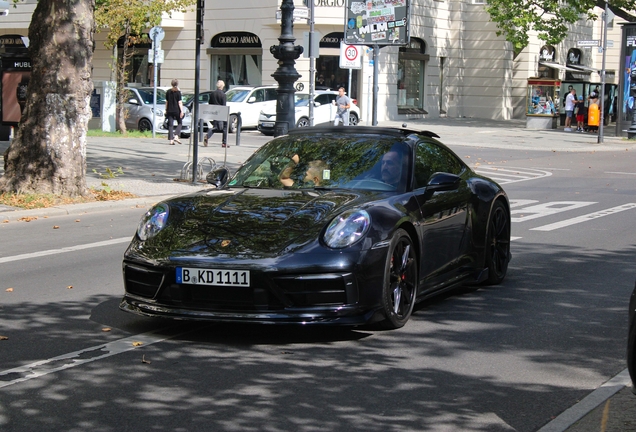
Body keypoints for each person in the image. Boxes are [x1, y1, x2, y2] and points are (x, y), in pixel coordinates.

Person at [203, 80, 228, 148]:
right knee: (224, 127)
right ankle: (224, 143)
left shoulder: (212, 94)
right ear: (222, 86)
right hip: (221, 112)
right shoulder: (223, 94)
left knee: (216, 127)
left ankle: (208, 136)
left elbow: (210, 103)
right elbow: (224, 105)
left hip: (214, 112)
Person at [165, 79, 184, 145]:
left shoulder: (168, 92)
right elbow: (180, 102)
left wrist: (166, 110)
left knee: (170, 125)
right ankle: (176, 135)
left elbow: (167, 102)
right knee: (180, 122)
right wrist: (182, 111)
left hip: (170, 110)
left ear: (171, 84)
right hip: (177, 110)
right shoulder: (178, 92)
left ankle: (171, 140)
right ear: (177, 84)